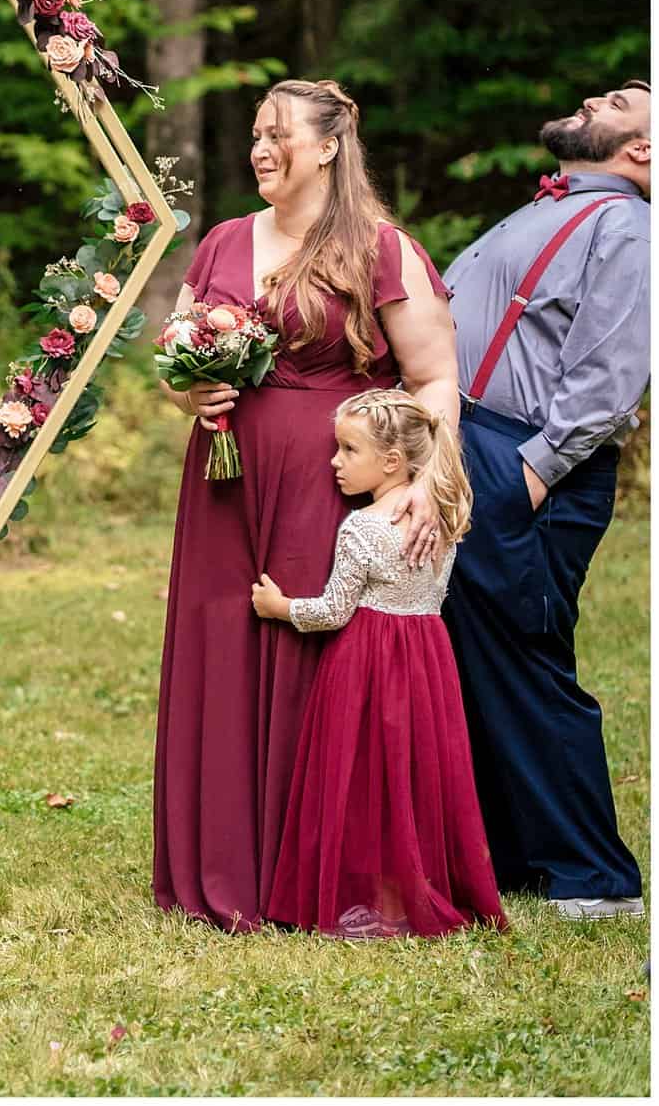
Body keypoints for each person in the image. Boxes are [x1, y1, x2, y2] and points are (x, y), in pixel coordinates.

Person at [154, 79, 458, 932]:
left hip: (334, 481)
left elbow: (433, 378)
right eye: (254, 133)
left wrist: (421, 486)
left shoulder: (381, 248)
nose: (259, 148)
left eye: (276, 133)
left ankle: (312, 864)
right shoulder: (219, 241)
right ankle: (222, 861)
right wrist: (190, 393)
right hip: (223, 481)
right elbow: (174, 350)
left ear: (327, 146)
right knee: (223, 644)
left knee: (310, 647)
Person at [438, 80, 650, 919]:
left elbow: (608, 375)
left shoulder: (628, 227)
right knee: (476, 658)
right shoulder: (558, 207)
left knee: (524, 659)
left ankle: (595, 877)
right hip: (475, 442)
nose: (598, 97)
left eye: (625, 101)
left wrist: (526, 475)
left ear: (644, 151)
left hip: (523, 461)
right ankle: (520, 858)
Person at [251, 389, 505, 938]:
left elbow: (333, 611)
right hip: (427, 660)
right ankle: (408, 886)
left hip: (365, 663)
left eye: (348, 450)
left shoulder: (362, 527)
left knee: (362, 775)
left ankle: (364, 893)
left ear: (392, 461)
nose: (334, 462)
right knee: (413, 773)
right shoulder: (439, 520)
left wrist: (280, 607)